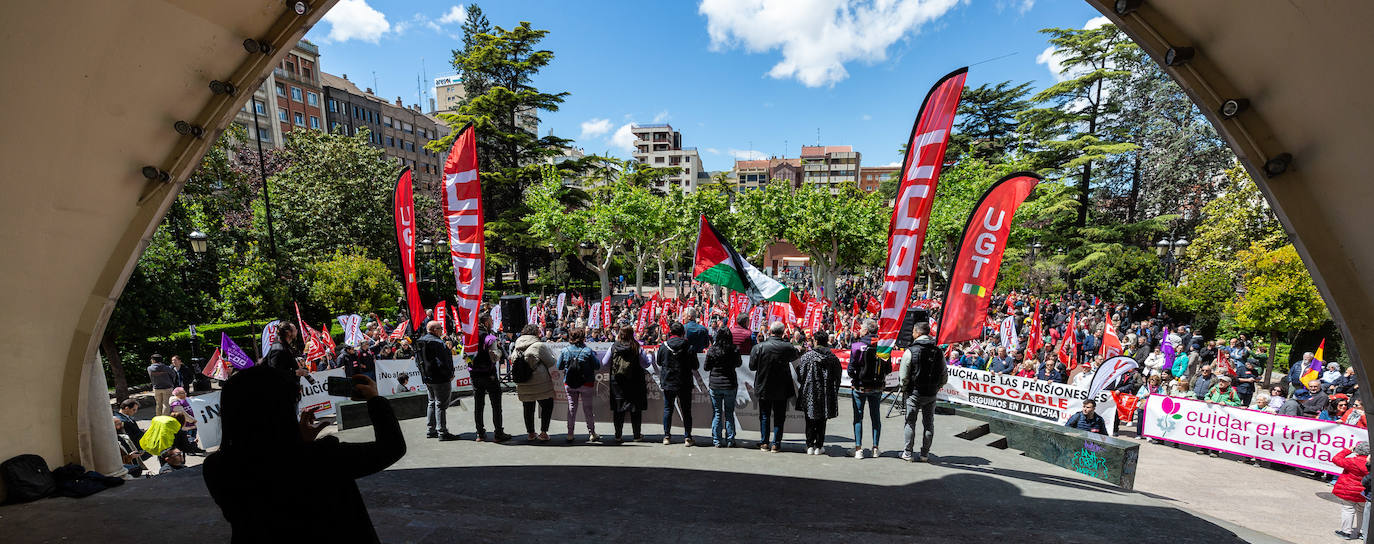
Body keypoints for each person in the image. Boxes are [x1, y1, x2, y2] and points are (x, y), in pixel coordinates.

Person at [203, 366, 404, 543]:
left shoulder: (216, 467)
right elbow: (391, 448)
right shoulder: (322, 458)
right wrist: (375, 400)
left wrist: (300, 441)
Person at [749, 322, 799, 453]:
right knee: (779, 416)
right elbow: (795, 357)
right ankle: (776, 444)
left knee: (765, 415)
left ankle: (765, 443)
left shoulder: (759, 347)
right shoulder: (788, 347)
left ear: (770, 331)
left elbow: (752, 366)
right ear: (782, 333)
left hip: (764, 386)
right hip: (782, 387)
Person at [899, 322, 943, 462]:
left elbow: (904, 376)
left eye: (913, 332)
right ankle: (925, 454)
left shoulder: (910, 351)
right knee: (929, 423)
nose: (912, 334)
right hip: (931, 393)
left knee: (910, 422)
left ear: (918, 333)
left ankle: (907, 453)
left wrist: (904, 389)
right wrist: (936, 387)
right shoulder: (938, 351)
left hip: (914, 393)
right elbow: (944, 374)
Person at [848, 320, 890, 459]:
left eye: (861, 328)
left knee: (858, 418)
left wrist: (855, 379)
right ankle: (875, 448)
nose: (859, 331)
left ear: (866, 330)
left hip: (860, 387)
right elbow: (888, 369)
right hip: (877, 387)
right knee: (876, 417)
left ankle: (859, 449)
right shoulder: (884, 347)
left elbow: (850, 369)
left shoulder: (856, 346)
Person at [795, 331, 842, 456]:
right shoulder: (833, 358)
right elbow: (838, 376)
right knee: (822, 419)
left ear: (815, 341)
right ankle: (819, 446)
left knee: (810, 419)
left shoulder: (807, 357)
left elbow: (800, 375)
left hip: (810, 391)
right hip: (826, 393)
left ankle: (809, 445)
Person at [469, 314, 511, 443]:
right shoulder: (490, 338)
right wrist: (498, 351)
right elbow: (495, 357)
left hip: (475, 374)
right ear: (486, 323)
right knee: (496, 405)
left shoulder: (469, 337)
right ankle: (498, 433)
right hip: (489, 374)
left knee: (478, 404)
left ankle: (480, 433)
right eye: (491, 321)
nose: (493, 323)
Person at [605, 326, 650, 443]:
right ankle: (636, 435)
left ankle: (618, 435)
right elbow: (645, 364)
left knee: (618, 408)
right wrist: (650, 356)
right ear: (632, 334)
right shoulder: (637, 347)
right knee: (635, 408)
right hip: (635, 381)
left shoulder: (613, 346)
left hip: (617, 382)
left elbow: (604, 363)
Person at [657, 322, 699, 446]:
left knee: (668, 409)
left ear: (670, 333)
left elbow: (659, 362)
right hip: (684, 382)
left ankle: (666, 436)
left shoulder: (663, 346)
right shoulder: (689, 347)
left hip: (668, 381)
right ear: (683, 333)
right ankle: (687, 437)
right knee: (686, 410)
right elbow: (695, 365)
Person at [512, 324, 556, 442]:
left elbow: (512, 359)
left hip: (523, 381)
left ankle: (531, 433)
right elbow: (551, 362)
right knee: (547, 405)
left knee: (528, 407)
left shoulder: (517, 345)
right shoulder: (539, 345)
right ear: (536, 333)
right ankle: (543, 432)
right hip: (540, 382)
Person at [557, 328, 601, 443]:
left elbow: (559, 366)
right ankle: (592, 433)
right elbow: (597, 366)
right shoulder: (588, 351)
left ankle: (570, 433)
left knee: (572, 407)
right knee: (588, 408)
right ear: (582, 338)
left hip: (570, 383)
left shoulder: (565, 350)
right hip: (586, 383)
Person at [417, 321, 458, 441]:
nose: (442, 330)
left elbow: (418, 362)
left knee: (431, 402)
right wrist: (449, 374)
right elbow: (443, 362)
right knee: (440, 404)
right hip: (440, 379)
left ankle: (431, 430)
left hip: (428, 378)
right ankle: (442, 432)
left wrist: (424, 377)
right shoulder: (438, 343)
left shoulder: (420, 341)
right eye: (440, 328)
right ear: (434, 330)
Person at [703, 326, 742, 448]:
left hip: (715, 385)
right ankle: (730, 439)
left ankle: (717, 440)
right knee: (729, 413)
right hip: (730, 384)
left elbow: (706, 367)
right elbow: (739, 363)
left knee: (718, 413)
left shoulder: (712, 350)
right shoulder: (734, 349)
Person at [1333, 442, 1371, 540]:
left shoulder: (1352, 461)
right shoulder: (1370, 464)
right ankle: (1361, 532)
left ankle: (1346, 531)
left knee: (1348, 509)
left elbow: (1336, 459)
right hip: (1364, 492)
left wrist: (1348, 450)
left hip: (1349, 491)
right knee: (1362, 511)